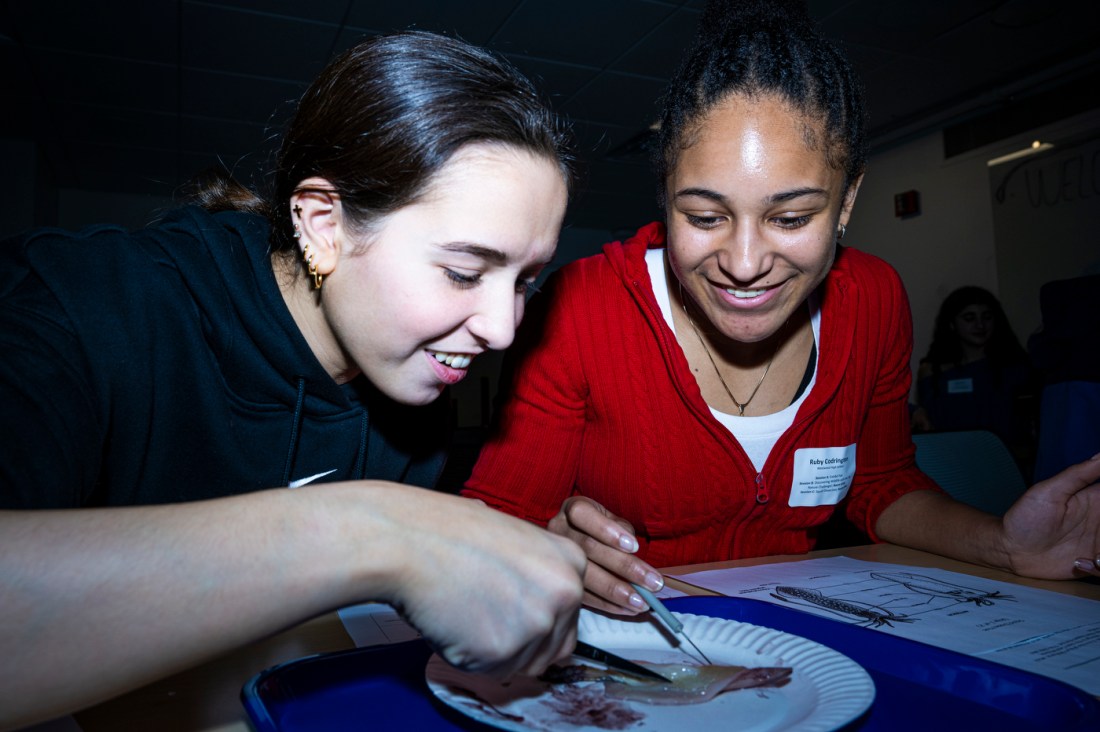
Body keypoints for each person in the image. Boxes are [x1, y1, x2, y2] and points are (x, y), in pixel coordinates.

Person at [0, 31, 587, 730]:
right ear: (320, 224)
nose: (503, 328)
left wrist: (509, 559)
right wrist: (377, 534)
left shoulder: (418, 382)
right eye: (464, 272)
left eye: (524, 281)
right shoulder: (80, 306)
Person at [462, 0, 1100, 617]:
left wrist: (1006, 544)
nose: (743, 262)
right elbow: (493, 522)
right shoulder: (581, 307)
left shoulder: (875, 300)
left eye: (790, 217)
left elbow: (882, 484)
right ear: (664, 196)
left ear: (847, 201)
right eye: (704, 216)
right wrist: (546, 544)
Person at [910, 286, 1038, 472]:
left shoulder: (1016, 367)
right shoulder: (932, 371)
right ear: (952, 324)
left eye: (987, 317)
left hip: (1007, 464)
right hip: (950, 465)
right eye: (969, 318)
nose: (980, 325)